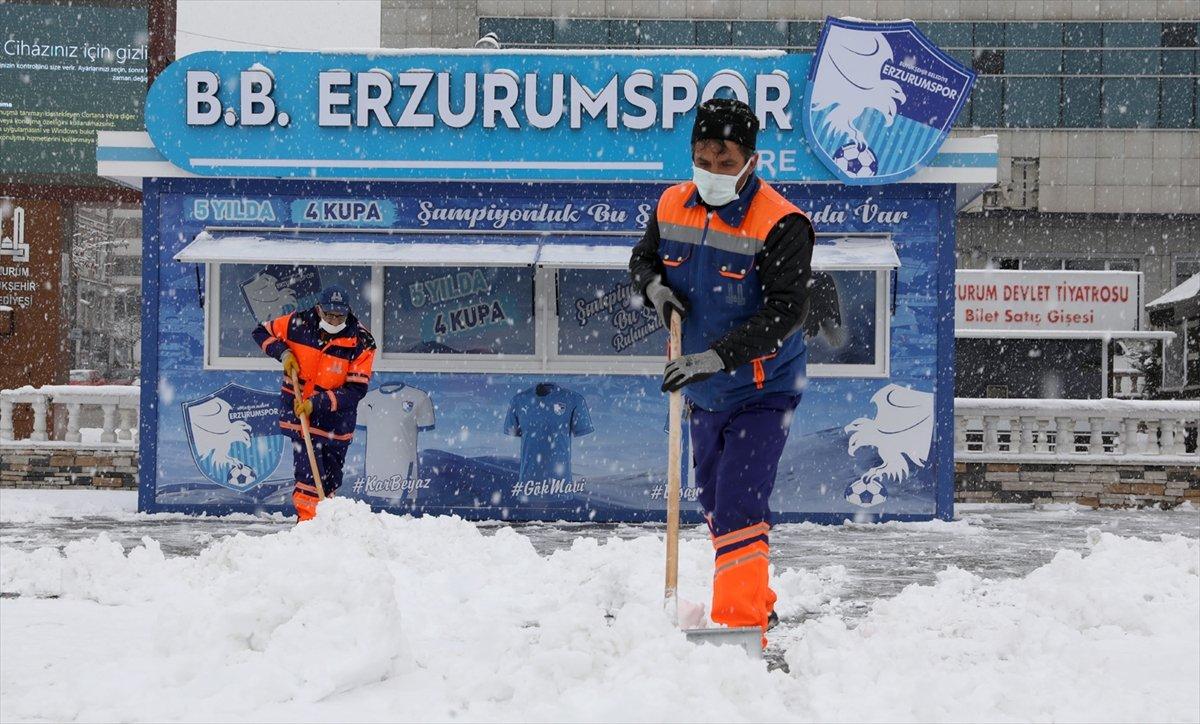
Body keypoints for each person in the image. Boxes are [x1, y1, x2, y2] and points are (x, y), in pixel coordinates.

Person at [629, 98, 815, 642]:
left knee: (738, 503)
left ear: (751, 161)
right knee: (714, 502)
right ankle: (758, 596)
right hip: (701, 388)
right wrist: (657, 290)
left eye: (725, 160)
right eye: (703, 158)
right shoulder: (671, 204)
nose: (711, 171)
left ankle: (740, 628)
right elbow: (644, 260)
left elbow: (786, 311)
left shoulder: (781, 222)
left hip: (764, 387)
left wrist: (714, 358)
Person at [252, 285, 376, 521]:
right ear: (319, 309)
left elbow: (355, 390)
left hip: (336, 421)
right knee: (308, 477)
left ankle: (324, 524)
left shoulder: (362, 342)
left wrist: (316, 403)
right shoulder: (297, 323)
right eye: (329, 314)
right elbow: (260, 332)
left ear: (348, 311)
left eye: (339, 315)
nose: (333, 319)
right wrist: (284, 353)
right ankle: (308, 526)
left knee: (330, 478)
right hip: (300, 414)